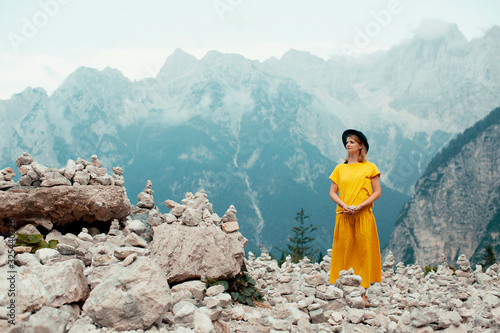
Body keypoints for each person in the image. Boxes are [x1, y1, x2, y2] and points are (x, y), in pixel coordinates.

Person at [328, 129, 382, 307]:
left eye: (352, 141)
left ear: (360, 146)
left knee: (362, 253)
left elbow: (377, 192)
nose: (348, 144)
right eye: (347, 142)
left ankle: (363, 292)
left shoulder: (370, 167)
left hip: (363, 215)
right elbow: (332, 192)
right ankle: (341, 289)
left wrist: (360, 206)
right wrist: (344, 205)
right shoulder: (340, 168)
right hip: (344, 216)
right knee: (344, 251)